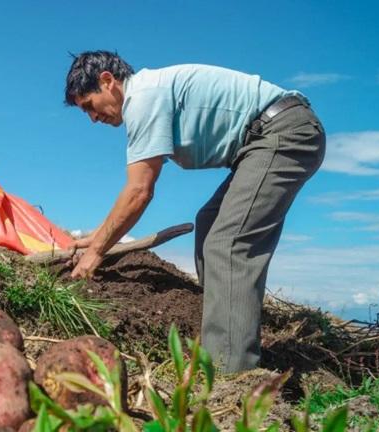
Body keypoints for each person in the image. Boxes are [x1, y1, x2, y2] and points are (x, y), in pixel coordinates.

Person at [63, 51, 325, 373]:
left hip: (282, 134)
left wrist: (96, 252)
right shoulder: (148, 92)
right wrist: (98, 235)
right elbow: (136, 191)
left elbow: (139, 191)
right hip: (265, 139)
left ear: (107, 81)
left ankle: (231, 374)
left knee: (228, 243)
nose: (92, 118)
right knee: (210, 221)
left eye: (89, 105)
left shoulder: (143, 97)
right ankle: (224, 334)